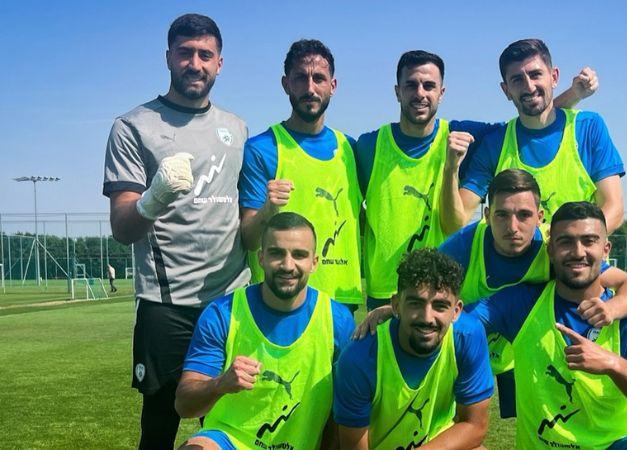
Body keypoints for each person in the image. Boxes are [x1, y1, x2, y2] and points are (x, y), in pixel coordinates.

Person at [102, 13, 249, 450]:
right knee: (160, 426)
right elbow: (123, 227)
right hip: (167, 303)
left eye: (205, 54)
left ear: (220, 62)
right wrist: (156, 197)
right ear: (168, 57)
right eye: (185, 53)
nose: (195, 64)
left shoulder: (237, 129)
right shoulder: (133, 126)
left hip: (230, 301)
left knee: (231, 425)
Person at [358, 50, 598, 310]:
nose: (420, 93)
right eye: (410, 85)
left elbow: (533, 119)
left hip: (442, 288)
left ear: (442, 92)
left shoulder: (464, 136)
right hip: (385, 289)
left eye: (429, 86)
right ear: (397, 92)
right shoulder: (368, 146)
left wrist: (573, 94)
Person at [438, 169, 627, 418]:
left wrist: (611, 309)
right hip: (464, 341)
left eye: (524, 215)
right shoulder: (462, 246)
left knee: (538, 423)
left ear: (540, 217)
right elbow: (421, 294)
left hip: (515, 353)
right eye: (502, 215)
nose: (512, 227)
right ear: (486, 215)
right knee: (447, 425)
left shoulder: (557, 247)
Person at [470, 202, 627, 449]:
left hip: (618, 443)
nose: (578, 252)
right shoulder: (521, 303)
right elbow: (459, 324)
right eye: (566, 242)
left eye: (589, 241)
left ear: (605, 250)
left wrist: (612, 363)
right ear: (550, 250)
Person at [175, 212, 355, 450]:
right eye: (276, 253)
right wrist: (220, 384)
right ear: (261, 258)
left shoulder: (338, 321)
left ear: (314, 262)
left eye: (299, 255)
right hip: (230, 441)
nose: (287, 265)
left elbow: (344, 408)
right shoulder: (223, 313)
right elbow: (184, 405)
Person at [441, 38, 625, 235]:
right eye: (517, 80)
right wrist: (451, 169)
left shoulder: (588, 128)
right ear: (506, 90)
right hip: (517, 258)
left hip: (575, 254)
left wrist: (565, 242)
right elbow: (455, 224)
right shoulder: (495, 144)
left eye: (535, 74)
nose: (529, 87)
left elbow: (614, 209)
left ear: (554, 77)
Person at [240, 39, 363, 308]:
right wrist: (268, 208)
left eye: (318, 78)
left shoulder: (351, 149)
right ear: (286, 84)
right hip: (279, 302)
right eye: (300, 78)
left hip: (341, 300)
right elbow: (248, 239)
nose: (310, 88)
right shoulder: (262, 148)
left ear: (333, 86)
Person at [335, 249, 493, 450]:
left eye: (440, 306)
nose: (427, 318)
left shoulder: (467, 337)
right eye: (416, 304)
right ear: (396, 305)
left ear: (456, 311)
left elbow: (475, 426)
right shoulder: (360, 358)